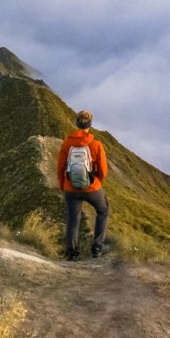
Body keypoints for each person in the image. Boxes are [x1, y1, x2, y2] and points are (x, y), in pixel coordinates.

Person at [57, 109, 109, 260]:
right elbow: (103, 170)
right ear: (90, 124)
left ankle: (71, 254)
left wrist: (63, 186)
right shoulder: (96, 145)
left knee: (73, 219)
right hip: (92, 187)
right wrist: (96, 183)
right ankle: (97, 248)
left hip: (70, 188)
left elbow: (60, 168)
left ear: (76, 123)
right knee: (103, 210)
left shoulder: (67, 144)